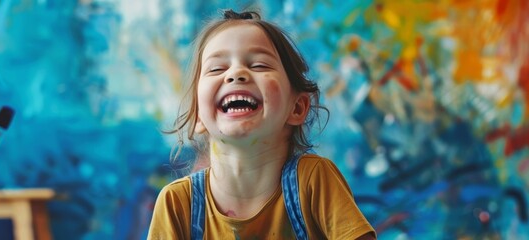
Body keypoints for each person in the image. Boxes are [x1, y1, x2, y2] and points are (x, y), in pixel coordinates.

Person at [148, 9, 376, 240]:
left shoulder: (313, 180)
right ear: (198, 115)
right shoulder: (178, 204)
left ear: (296, 108)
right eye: (217, 68)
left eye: (259, 65)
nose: (236, 73)